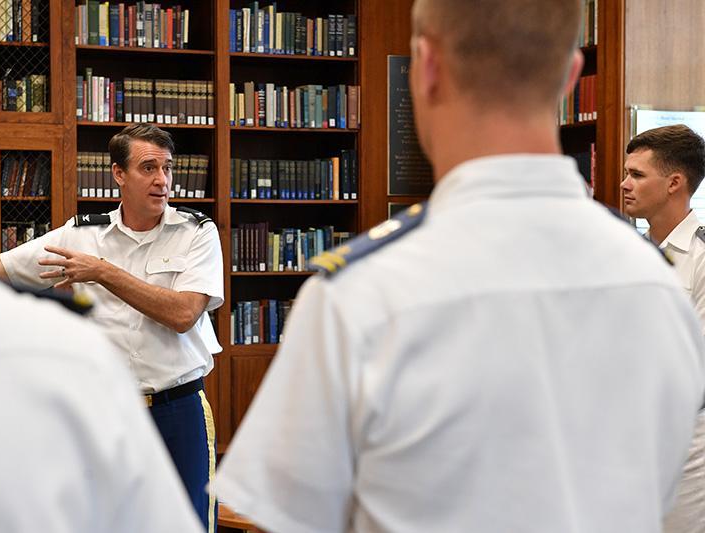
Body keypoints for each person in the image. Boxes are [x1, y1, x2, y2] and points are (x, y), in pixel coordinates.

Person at [212, 1, 705, 532]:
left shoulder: (364, 293)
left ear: (424, 67)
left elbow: (290, 519)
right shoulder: (653, 281)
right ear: (569, 76)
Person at [0, 2, 203, 531]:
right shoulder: (81, 232)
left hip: (177, 409)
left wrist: (103, 272)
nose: (162, 180)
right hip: (107, 406)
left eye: (167, 169)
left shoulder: (196, 233)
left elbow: (182, 314)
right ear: (118, 175)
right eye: (148, 168)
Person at [622, 124, 705, 532]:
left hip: (688, 444)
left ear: (675, 183)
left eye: (637, 175)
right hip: (627, 435)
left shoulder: (701, 257)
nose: (624, 184)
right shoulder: (627, 252)